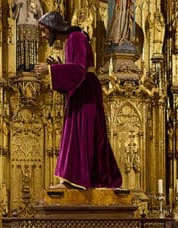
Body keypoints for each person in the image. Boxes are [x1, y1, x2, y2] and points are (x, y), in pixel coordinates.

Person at [34, 11, 122, 190]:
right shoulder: (73, 39)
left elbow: (79, 69)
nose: (43, 35)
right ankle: (84, 178)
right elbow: (76, 69)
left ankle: (74, 179)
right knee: (86, 133)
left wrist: (51, 71)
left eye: (44, 30)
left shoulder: (75, 37)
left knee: (80, 133)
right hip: (83, 91)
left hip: (85, 92)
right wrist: (58, 68)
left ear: (53, 27)